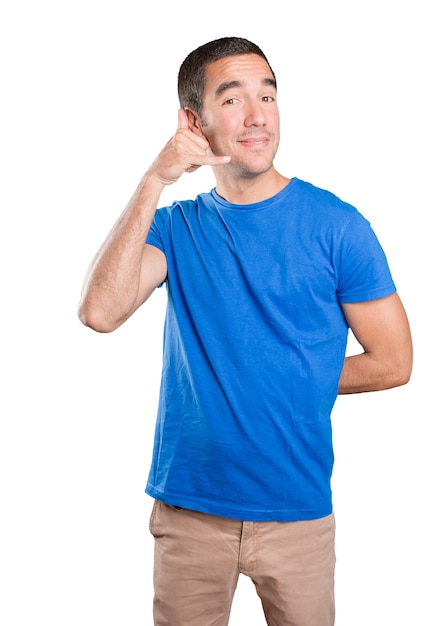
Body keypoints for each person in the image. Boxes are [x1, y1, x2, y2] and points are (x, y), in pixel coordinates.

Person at [78, 36, 413, 626]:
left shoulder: (338, 226)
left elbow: (393, 361)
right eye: (232, 99)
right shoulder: (175, 230)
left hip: (298, 514)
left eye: (269, 95)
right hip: (190, 512)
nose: (258, 115)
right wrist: (156, 179)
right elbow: (100, 312)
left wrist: (282, 379)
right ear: (194, 121)